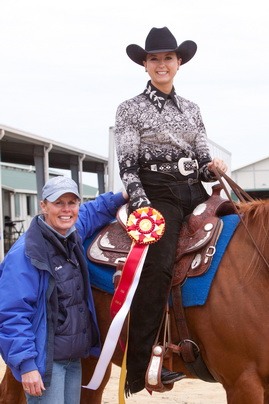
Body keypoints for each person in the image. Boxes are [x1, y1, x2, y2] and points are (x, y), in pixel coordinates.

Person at [114, 26, 228, 395]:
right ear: (145, 65)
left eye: (168, 57)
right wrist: (142, 204)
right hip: (156, 194)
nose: (161, 64)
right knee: (159, 264)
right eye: (154, 58)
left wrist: (214, 169)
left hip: (193, 187)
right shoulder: (130, 109)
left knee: (240, 230)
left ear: (179, 63)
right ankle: (142, 363)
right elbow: (128, 166)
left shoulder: (192, 110)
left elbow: (201, 159)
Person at [0, 175, 128, 404]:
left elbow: (93, 211)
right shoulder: (27, 253)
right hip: (45, 363)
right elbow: (12, 315)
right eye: (58, 203)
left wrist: (124, 195)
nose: (66, 210)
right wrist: (27, 365)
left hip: (73, 358)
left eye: (72, 203)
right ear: (43, 206)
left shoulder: (69, 233)